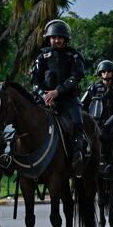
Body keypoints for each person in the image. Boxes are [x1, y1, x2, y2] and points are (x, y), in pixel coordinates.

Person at [30, 19, 88, 165]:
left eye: (60, 37)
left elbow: (75, 77)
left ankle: (79, 156)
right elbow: (35, 82)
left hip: (68, 99)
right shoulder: (41, 57)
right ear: (48, 39)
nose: (57, 40)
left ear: (65, 39)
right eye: (53, 37)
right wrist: (45, 95)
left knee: (77, 124)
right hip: (44, 100)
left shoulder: (74, 56)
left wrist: (57, 92)